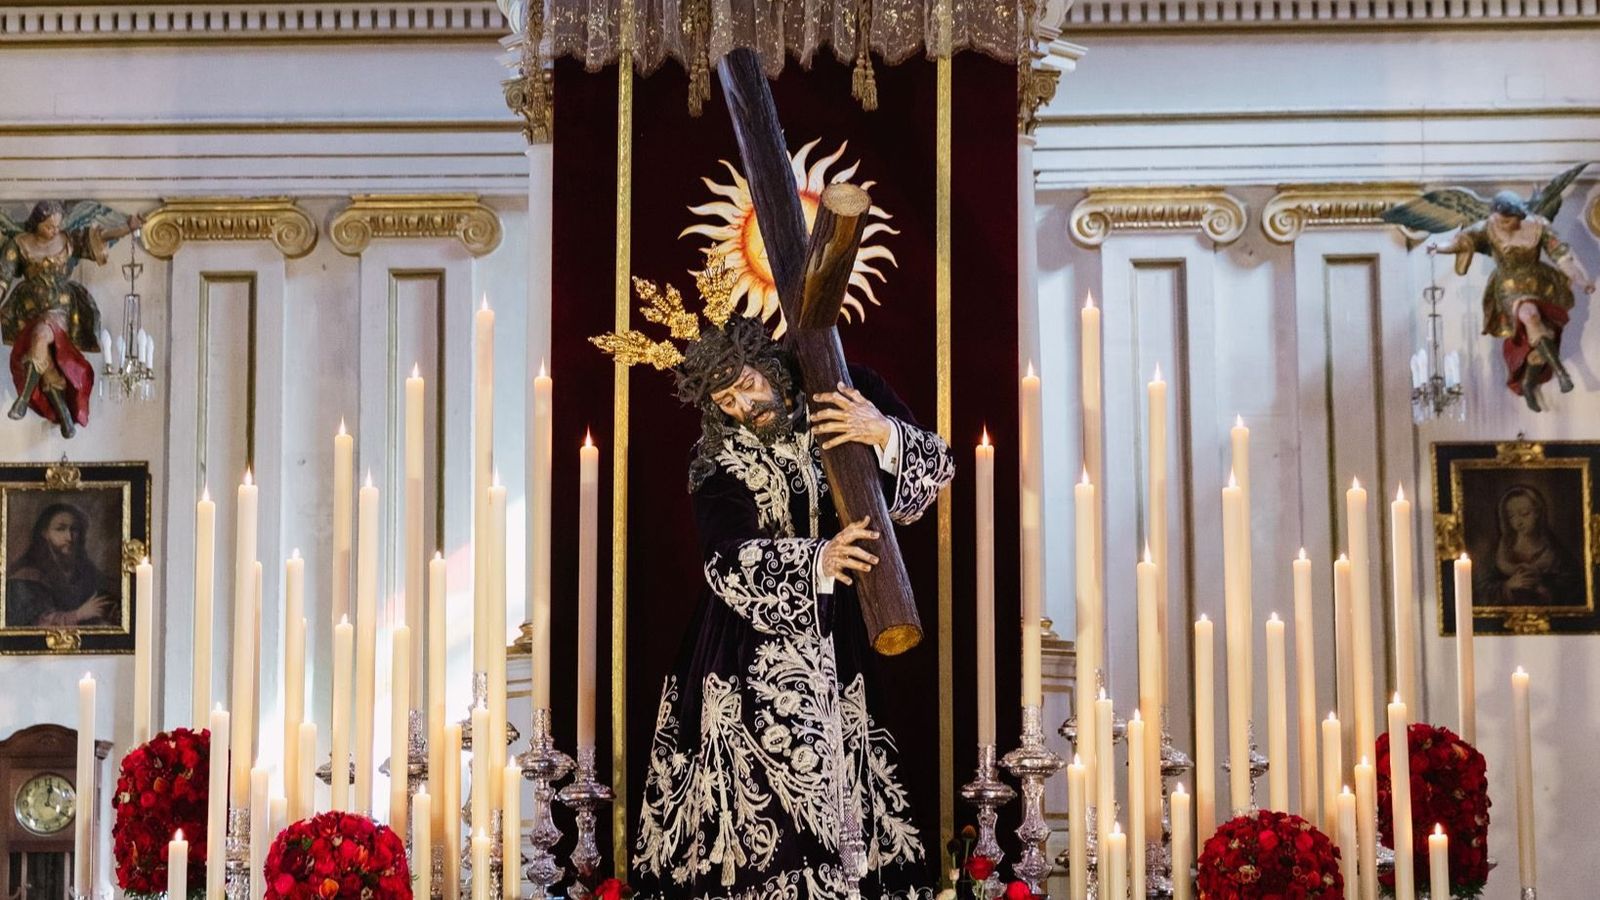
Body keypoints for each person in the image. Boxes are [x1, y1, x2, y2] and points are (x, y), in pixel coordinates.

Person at [599, 291, 953, 899]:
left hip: (839, 638)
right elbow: (723, 558)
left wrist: (882, 432)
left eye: (744, 385)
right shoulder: (713, 457)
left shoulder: (842, 384)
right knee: (753, 814)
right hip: (740, 650)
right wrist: (821, 558)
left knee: (848, 795)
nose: (742, 406)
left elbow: (933, 471)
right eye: (725, 399)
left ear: (762, 359)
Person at [1429, 192, 1594, 411]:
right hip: (1508, 286)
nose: (1503, 224)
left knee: (1543, 339)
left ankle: (1527, 384)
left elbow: (1561, 256)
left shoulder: (1537, 226)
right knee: (1529, 315)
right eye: (1500, 218)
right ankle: (1564, 373)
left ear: (1520, 215)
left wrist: (1582, 281)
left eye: (1509, 220)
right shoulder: (1488, 227)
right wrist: (1439, 248)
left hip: (1542, 285)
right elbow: (1461, 242)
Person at [0, 201, 141, 438]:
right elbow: (3, 277)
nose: (54, 230)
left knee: (41, 336)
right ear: (36, 224)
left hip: (62, 308)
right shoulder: (19, 244)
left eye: (57, 225)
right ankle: (63, 413)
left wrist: (127, 227)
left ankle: (24, 400)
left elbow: (100, 236)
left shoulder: (68, 240)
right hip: (27, 310)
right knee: (42, 351)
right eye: (48, 226)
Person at [5, 502, 117, 628]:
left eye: (74, 530)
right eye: (60, 529)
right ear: (45, 533)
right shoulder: (25, 574)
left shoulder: (85, 570)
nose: (69, 537)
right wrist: (79, 614)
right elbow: (33, 623)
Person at [1473, 484, 1583, 607]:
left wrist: (1543, 588)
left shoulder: (1558, 553)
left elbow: (1574, 589)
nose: (1518, 522)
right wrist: (1508, 586)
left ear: (1537, 513)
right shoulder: (1497, 553)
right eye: (1511, 516)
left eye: (1524, 514)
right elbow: (1481, 590)